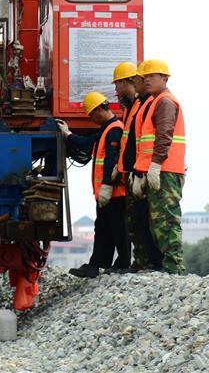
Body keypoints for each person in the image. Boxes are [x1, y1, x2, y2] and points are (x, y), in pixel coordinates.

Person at [62, 91, 129, 278]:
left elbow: (111, 160)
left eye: (92, 114)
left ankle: (123, 263)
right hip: (106, 193)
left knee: (118, 228)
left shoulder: (114, 129)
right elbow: (87, 144)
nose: (92, 119)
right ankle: (97, 264)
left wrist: (107, 185)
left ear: (100, 109)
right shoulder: (106, 130)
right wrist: (67, 134)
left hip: (114, 192)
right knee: (103, 228)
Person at [132, 59, 187, 274]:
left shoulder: (164, 102)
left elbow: (164, 135)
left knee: (167, 218)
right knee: (159, 220)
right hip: (160, 170)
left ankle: (174, 265)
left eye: (152, 76)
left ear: (165, 78)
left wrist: (155, 165)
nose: (146, 80)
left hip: (165, 170)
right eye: (144, 77)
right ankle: (168, 265)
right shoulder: (155, 101)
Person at [114, 62, 163, 272]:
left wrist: (144, 169)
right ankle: (143, 262)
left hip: (144, 170)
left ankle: (157, 263)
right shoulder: (134, 107)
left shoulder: (148, 104)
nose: (116, 91)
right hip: (135, 170)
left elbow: (146, 140)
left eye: (119, 85)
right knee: (136, 223)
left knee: (147, 220)